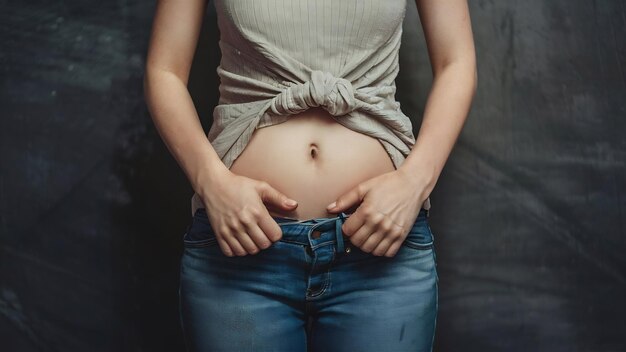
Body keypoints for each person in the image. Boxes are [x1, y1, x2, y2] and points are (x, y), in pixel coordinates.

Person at [144, 0, 477, 351]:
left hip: (381, 248)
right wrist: (210, 182)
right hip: (241, 246)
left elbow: (456, 62)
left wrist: (415, 181)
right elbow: (163, 70)